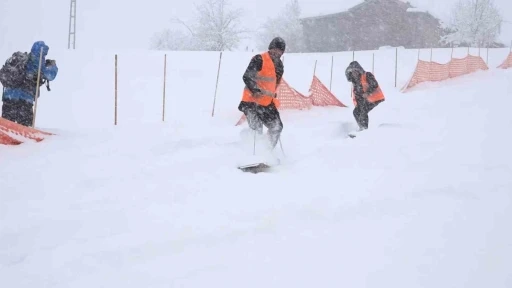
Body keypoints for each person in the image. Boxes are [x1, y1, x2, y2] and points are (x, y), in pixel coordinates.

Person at [237, 37, 285, 150]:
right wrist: (255, 90)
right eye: (275, 49)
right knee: (256, 129)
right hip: (251, 101)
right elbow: (247, 76)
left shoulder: (280, 66)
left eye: (280, 51)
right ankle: (252, 155)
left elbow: (273, 83)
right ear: (270, 48)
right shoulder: (259, 59)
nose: (277, 52)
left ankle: (266, 152)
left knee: (277, 127)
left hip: (267, 103)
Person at [0, 41, 58, 126]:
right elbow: (50, 75)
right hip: (25, 99)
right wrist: (53, 65)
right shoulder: (38, 62)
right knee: (23, 125)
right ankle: (24, 138)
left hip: (9, 96)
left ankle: (5, 137)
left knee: (7, 125)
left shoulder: (22, 60)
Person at [345, 61, 385, 130]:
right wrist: (358, 104)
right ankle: (361, 127)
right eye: (352, 71)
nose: (354, 73)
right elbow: (358, 95)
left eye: (355, 70)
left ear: (359, 70)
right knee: (356, 112)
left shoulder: (367, 75)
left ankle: (364, 129)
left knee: (364, 110)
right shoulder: (355, 82)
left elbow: (374, 84)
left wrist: (368, 92)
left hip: (375, 98)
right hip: (364, 101)